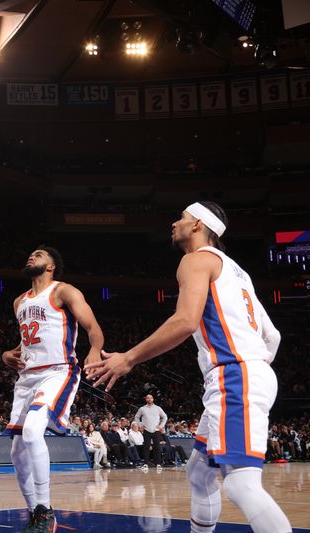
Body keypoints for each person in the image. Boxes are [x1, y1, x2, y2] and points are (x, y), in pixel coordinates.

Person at [87, 201, 292, 533]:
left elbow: (185, 321)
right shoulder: (237, 271)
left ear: (198, 224)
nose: (174, 223)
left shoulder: (195, 260)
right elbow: (274, 335)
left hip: (234, 373)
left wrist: (129, 357)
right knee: (199, 471)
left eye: (181, 218)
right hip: (247, 372)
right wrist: (255, 366)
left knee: (241, 484)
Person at [1, 245, 104, 533]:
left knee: (34, 430)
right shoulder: (18, 301)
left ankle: (46, 509)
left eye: (39, 254)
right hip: (27, 377)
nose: (31, 256)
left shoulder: (63, 291)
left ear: (51, 266)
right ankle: (36, 512)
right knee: (17, 452)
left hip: (58, 371)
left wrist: (95, 350)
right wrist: (7, 354)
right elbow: (26, 343)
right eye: (30, 253)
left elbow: (92, 326)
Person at [133, 394, 167, 468]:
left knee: (157, 447)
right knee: (146, 447)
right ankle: (146, 463)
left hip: (156, 430)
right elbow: (136, 417)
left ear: (153, 399)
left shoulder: (158, 408)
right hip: (147, 430)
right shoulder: (142, 409)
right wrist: (140, 425)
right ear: (146, 399)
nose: (149, 399)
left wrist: (161, 426)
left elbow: (165, 417)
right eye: (147, 398)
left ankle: (158, 463)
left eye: (150, 398)